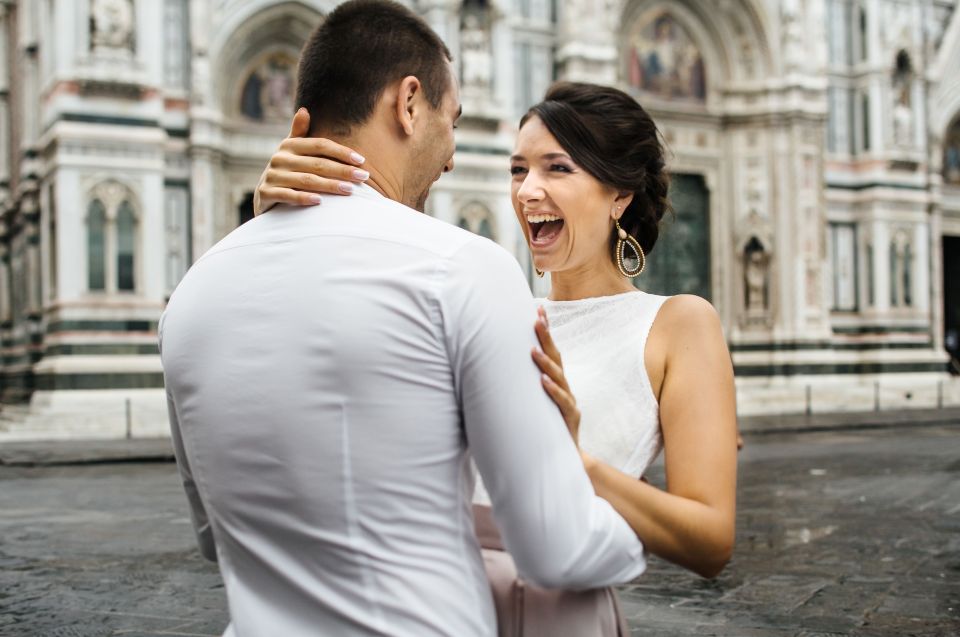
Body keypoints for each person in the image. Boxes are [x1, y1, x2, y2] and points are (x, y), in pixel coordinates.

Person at [159, 2, 648, 636]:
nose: (449, 159)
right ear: (409, 104)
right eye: (452, 123)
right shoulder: (463, 268)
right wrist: (627, 541)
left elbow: (210, 538)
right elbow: (556, 545)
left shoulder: (191, 295)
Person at [257, 81, 739, 591]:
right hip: (428, 600)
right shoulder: (499, 308)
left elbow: (710, 540)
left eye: (557, 168)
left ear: (620, 193)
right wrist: (278, 226)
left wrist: (573, 463)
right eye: (518, 169)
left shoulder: (678, 323)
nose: (528, 190)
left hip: (546, 609)